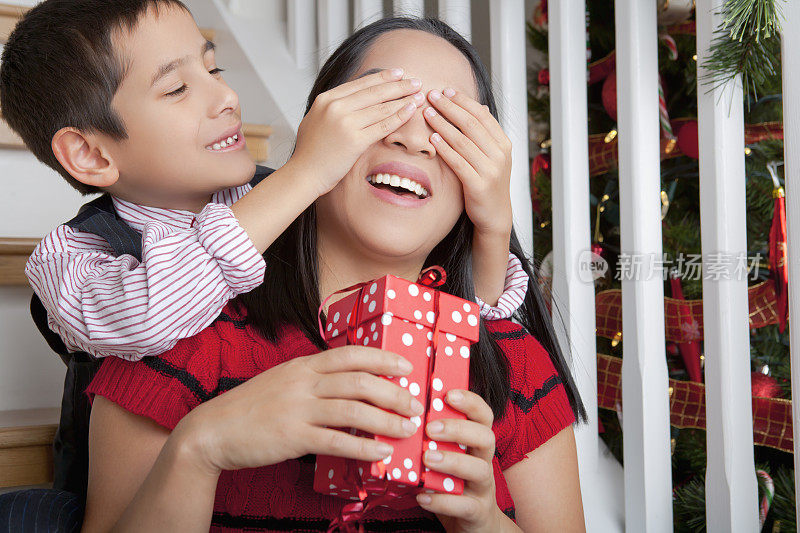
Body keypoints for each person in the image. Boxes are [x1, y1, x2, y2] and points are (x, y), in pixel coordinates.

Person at [0, 0, 528, 511]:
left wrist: (492, 227)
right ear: (91, 154)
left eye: (215, 68)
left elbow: (454, 312)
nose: (227, 96)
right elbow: (150, 318)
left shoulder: (268, 201)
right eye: (179, 87)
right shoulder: (74, 256)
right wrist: (306, 172)